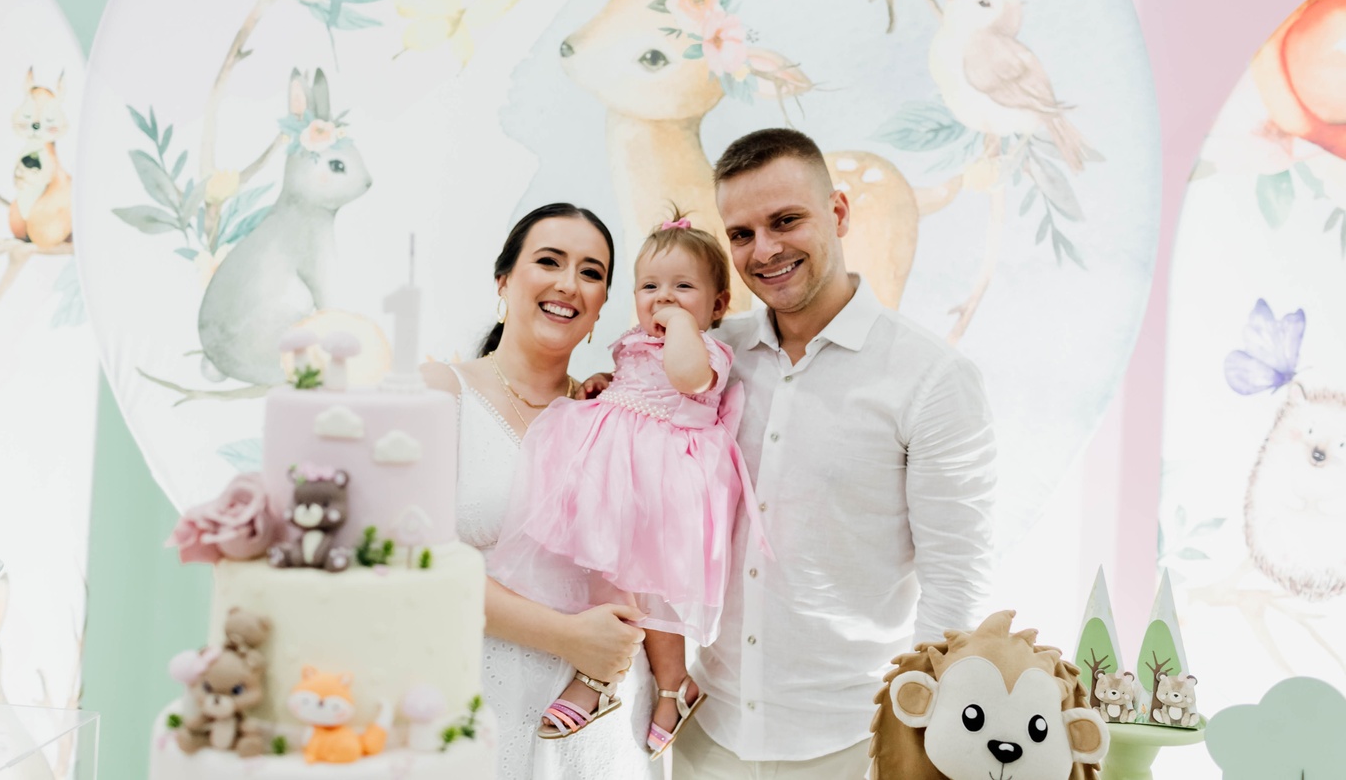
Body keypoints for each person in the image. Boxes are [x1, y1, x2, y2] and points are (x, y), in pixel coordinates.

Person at [670, 129, 998, 779]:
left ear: (839, 212)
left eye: (785, 220)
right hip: (705, 735)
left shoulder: (932, 378)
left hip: (854, 745)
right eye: (741, 233)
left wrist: (916, 741)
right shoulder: (710, 358)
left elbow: (957, 582)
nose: (764, 249)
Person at [489, 209, 768, 761]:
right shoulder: (635, 342)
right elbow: (636, 384)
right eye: (650, 287)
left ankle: (644, 680)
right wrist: (605, 381)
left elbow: (686, 377)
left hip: (665, 486)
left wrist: (682, 327)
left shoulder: (704, 349)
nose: (663, 299)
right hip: (619, 477)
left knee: (653, 593)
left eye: (683, 288)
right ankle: (641, 680)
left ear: (717, 306)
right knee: (605, 573)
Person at [422, 203, 661, 780]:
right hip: (472, 697)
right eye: (549, 261)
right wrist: (569, 638)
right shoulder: (438, 392)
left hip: (601, 724)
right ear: (503, 280)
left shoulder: (618, 413)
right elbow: (413, 562)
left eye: (590, 272)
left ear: (601, 304)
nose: (568, 284)